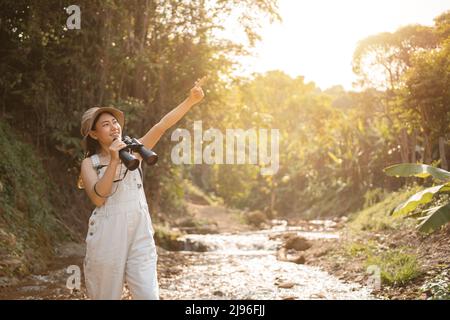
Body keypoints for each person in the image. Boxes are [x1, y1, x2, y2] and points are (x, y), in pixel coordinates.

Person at [79, 77, 206, 300]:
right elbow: (99, 199)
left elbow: (162, 125)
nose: (113, 126)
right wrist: (115, 160)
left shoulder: (136, 149)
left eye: (114, 122)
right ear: (94, 133)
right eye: (105, 124)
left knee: (148, 295)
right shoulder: (90, 163)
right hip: (107, 234)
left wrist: (190, 101)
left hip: (140, 231)